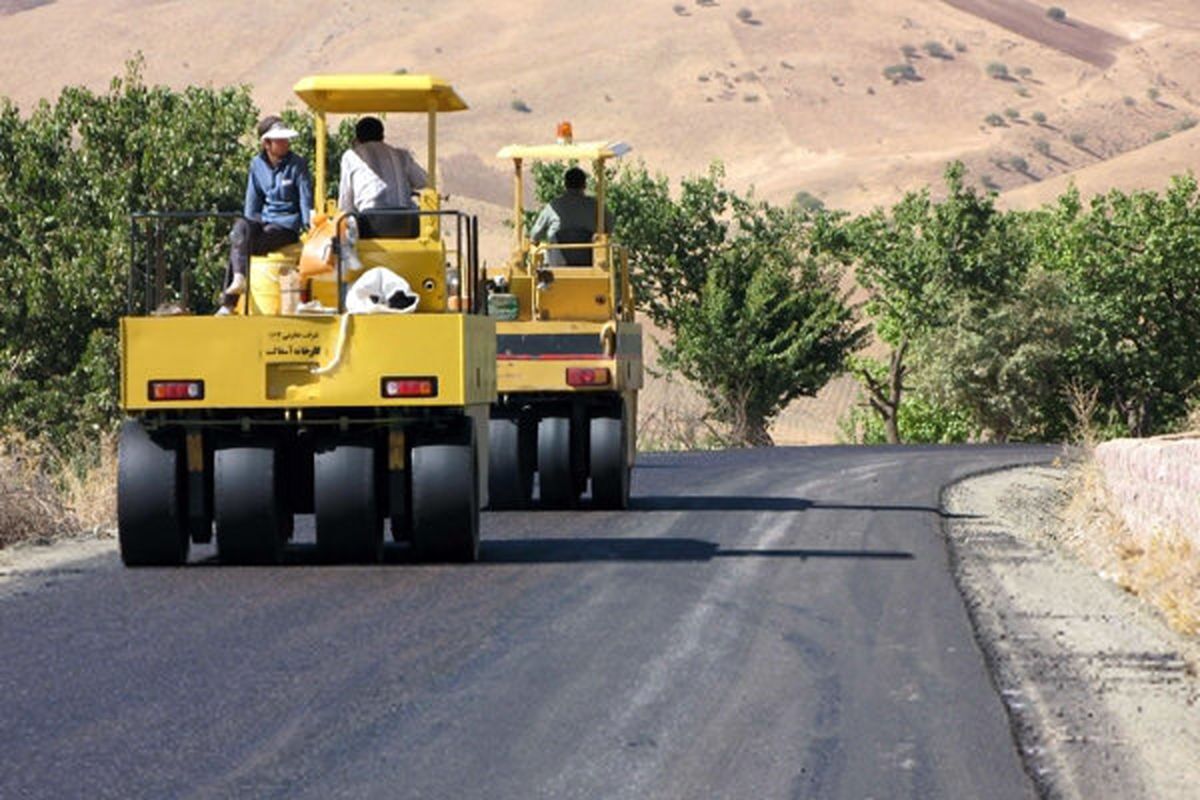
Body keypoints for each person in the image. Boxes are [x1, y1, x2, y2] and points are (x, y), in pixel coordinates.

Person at [219, 115, 313, 313]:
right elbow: (252, 205)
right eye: (280, 139)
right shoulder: (256, 165)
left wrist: (309, 227)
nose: (286, 143)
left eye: (286, 139)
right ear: (267, 144)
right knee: (240, 231)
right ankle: (239, 279)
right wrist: (248, 229)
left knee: (241, 245)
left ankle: (228, 303)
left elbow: (305, 198)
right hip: (264, 223)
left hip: (286, 226)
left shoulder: (298, 164)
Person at [337, 116, 428, 237]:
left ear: (357, 137)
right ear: (382, 136)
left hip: (371, 224)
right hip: (406, 223)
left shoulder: (351, 156)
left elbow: (346, 200)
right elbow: (423, 181)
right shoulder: (402, 155)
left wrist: (345, 219)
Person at [529, 166, 612, 266]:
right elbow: (609, 228)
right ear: (584, 185)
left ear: (565, 184)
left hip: (557, 266)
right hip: (590, 265)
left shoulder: (553, 206)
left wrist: (536, 241)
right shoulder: (596, 205)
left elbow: (534, 235)